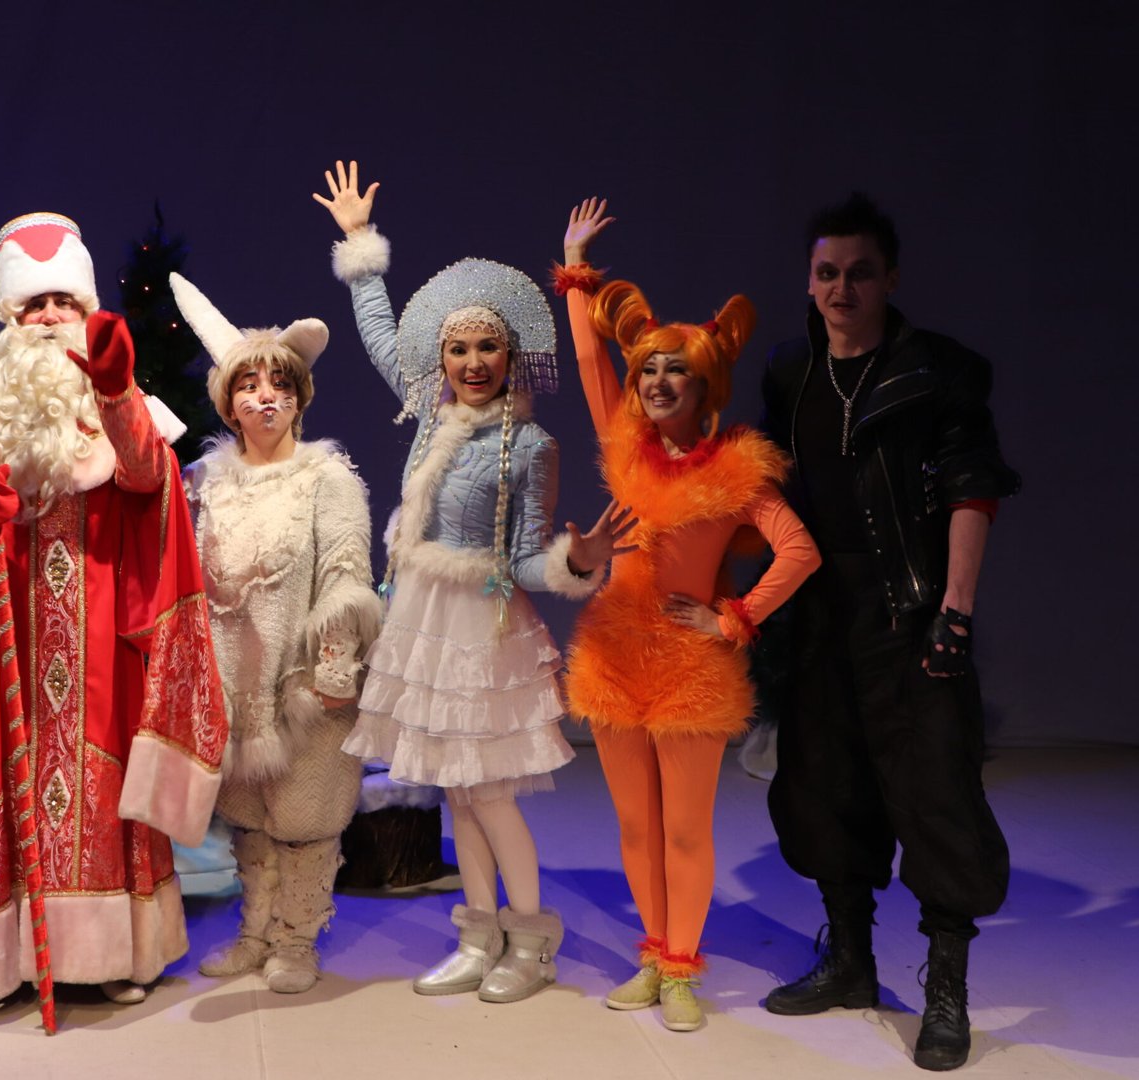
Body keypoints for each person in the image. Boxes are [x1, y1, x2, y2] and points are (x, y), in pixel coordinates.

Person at [0, 212, 227, 1009]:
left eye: (62, 303)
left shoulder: (118, 397)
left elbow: (146, 477)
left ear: (85, 310)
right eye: (32, 304)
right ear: (8, 317)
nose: (47, 318)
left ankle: (106, 956)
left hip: (102, 640)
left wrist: (115, 391)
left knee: (102, 789)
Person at [314, 161, 624, 1004]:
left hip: (482, 628)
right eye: (458, 348)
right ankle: (479, 933)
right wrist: (359, 244)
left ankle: (531, 940)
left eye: (488, 346)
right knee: (455, 789)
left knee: (488, 792)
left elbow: (522, 561)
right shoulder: (431, 416)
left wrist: (578, 561)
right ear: (442, 358)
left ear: (510, 354)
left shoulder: (530, 447)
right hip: (423, 618)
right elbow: (383, 341)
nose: (473, 361)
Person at [759, 193, 1019, 1071]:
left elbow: (973, 490)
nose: (843, 288)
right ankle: (850, 961)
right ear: (810, 280)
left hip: (908, 607)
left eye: (860, 273)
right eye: (827, 273)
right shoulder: (790, 373)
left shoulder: (937, 371)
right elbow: (766, 491)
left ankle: (946, 990)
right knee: (825, 783)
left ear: (891, 279)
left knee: (935, 791)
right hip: (818, 609)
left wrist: (956, 610)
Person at [555, 199, 821, 1032]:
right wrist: (575, 268)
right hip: (613, 658)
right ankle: (652, 953)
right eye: (649, 369)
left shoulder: (735, 470)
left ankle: (680, 967)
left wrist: (734, 618)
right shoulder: (626, 448)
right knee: (635, 824)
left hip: (689, 669)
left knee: (683, 829)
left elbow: (799, 550)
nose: (658, 382)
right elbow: (591, 360)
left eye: (676, 370)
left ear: (706, 384)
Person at [172, 272, 381, 994]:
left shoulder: (327, 478)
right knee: (249, 818)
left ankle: (297, 938)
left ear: (299, 397)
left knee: (304, 816)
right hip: (235, 682)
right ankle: (254, 933)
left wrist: (335, 670)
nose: (264, 396)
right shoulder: (203, 482)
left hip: (305, 684)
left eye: (279, 383)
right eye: (248, 384)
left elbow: (346, 575)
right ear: (228, 401)